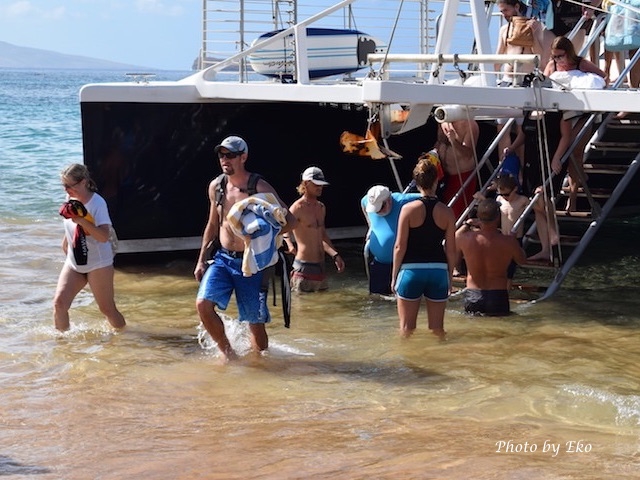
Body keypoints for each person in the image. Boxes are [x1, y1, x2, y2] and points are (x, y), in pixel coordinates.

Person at [194, 136, 296, 361]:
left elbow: (289, 219)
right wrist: (201, 259)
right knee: (202, 304)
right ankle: (228, 354)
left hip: (251, 264)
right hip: (222, 259)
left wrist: (268, 238)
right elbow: (213, 224)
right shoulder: (217, 186)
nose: (225, 159)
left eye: (230, 155)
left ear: (243, 157)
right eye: (222, 155)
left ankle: (262, 365)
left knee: (255, 322)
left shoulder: (257, 186)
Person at [53, 163, 125, 332]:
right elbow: (70, 228)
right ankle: (63, 346)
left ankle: (125, 339)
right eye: (64, 185)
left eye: (70, 185)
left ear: (83, 182)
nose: (66, 190)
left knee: (107, 309)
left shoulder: (97, 203)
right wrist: (65, 244)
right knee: (59, 304)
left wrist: (82, 221)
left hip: (98, 264)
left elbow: (103, 236)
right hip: (74, 261)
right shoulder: (70, 198)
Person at [391, 158, 457, 339]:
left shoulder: (408, 209)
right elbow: (451, 250)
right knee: (437, 329)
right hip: (438, 271)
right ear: (437, 181)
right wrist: (449, 277)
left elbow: (399, 246)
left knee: (406, 329)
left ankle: (406, 365)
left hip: (411, 270)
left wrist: (394, 275)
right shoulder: (447, 212)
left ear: (416, 182)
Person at [544, 35, 606, 212]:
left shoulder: (581, 64)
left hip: (582, 115)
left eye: (560, 56)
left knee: (574, 151)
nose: (557, 60)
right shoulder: (552, 66)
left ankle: (573, 198)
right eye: (554, 56)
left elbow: (604, 77)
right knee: (571, 153)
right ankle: (579, 181)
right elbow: (544, 85)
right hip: (562, 115)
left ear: (569, 53)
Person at [494, 0, 547, 176]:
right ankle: (504, 172)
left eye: (506, 10)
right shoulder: (504, 30)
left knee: (520, 131)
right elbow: (498, 56)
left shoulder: (536, 26)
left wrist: (532, 33)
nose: (504, 14)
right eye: (501, 11)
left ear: (517, 6)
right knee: (502, 129)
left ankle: (520, 174)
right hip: (507, 81)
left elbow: (539, 55)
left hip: (525, 82)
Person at [455, 198, 528, 316]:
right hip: (498, 295)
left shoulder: (466, 239)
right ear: (498, 217)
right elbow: (522, 261)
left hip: (473, 294)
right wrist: (515, 242)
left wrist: (467, 224)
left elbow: (453, 239)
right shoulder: (508, 241)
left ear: (478, 217)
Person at [283, 166, 345, 293]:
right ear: (306, 183)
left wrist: (335, 255)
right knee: (302, 309)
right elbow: (284, 230)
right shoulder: (297, 207)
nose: (320, 187)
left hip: (321, 267)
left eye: (321, 185)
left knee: (321, 309)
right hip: (303, 267)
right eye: (317, 184)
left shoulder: (321, 207)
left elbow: (322, 235)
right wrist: (289, 245)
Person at [360, 184, 420, 295]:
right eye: (375, 210)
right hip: (379, 263)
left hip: (403, 263)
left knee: (403, 298)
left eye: (380, 208)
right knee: (377, 299)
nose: (377, 212)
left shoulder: (402, 200)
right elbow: (363, 203)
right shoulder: (367, 200)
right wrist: (371, 226)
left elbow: (427, 197)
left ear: (389, 200)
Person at [474, 174, 529, 288]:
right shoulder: (499, 200)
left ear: (515, 189)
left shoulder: (522, 200)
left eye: (507, 194)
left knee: (509, 272)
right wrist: (482, 198)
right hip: (502, 237)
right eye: (501, 194)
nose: (504, 197)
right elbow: (490, 210)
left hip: (515, 239)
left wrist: (540, 193)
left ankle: (505, 294)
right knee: (498, 269)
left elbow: (540, 208)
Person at [433, 118, 480, 219]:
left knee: (457, 214)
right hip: (443, 175)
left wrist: (454, 142)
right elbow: (439, 142)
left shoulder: (469, 125)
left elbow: (468, 154)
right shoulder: (442, 119)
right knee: (441, 212)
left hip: (461, 176)